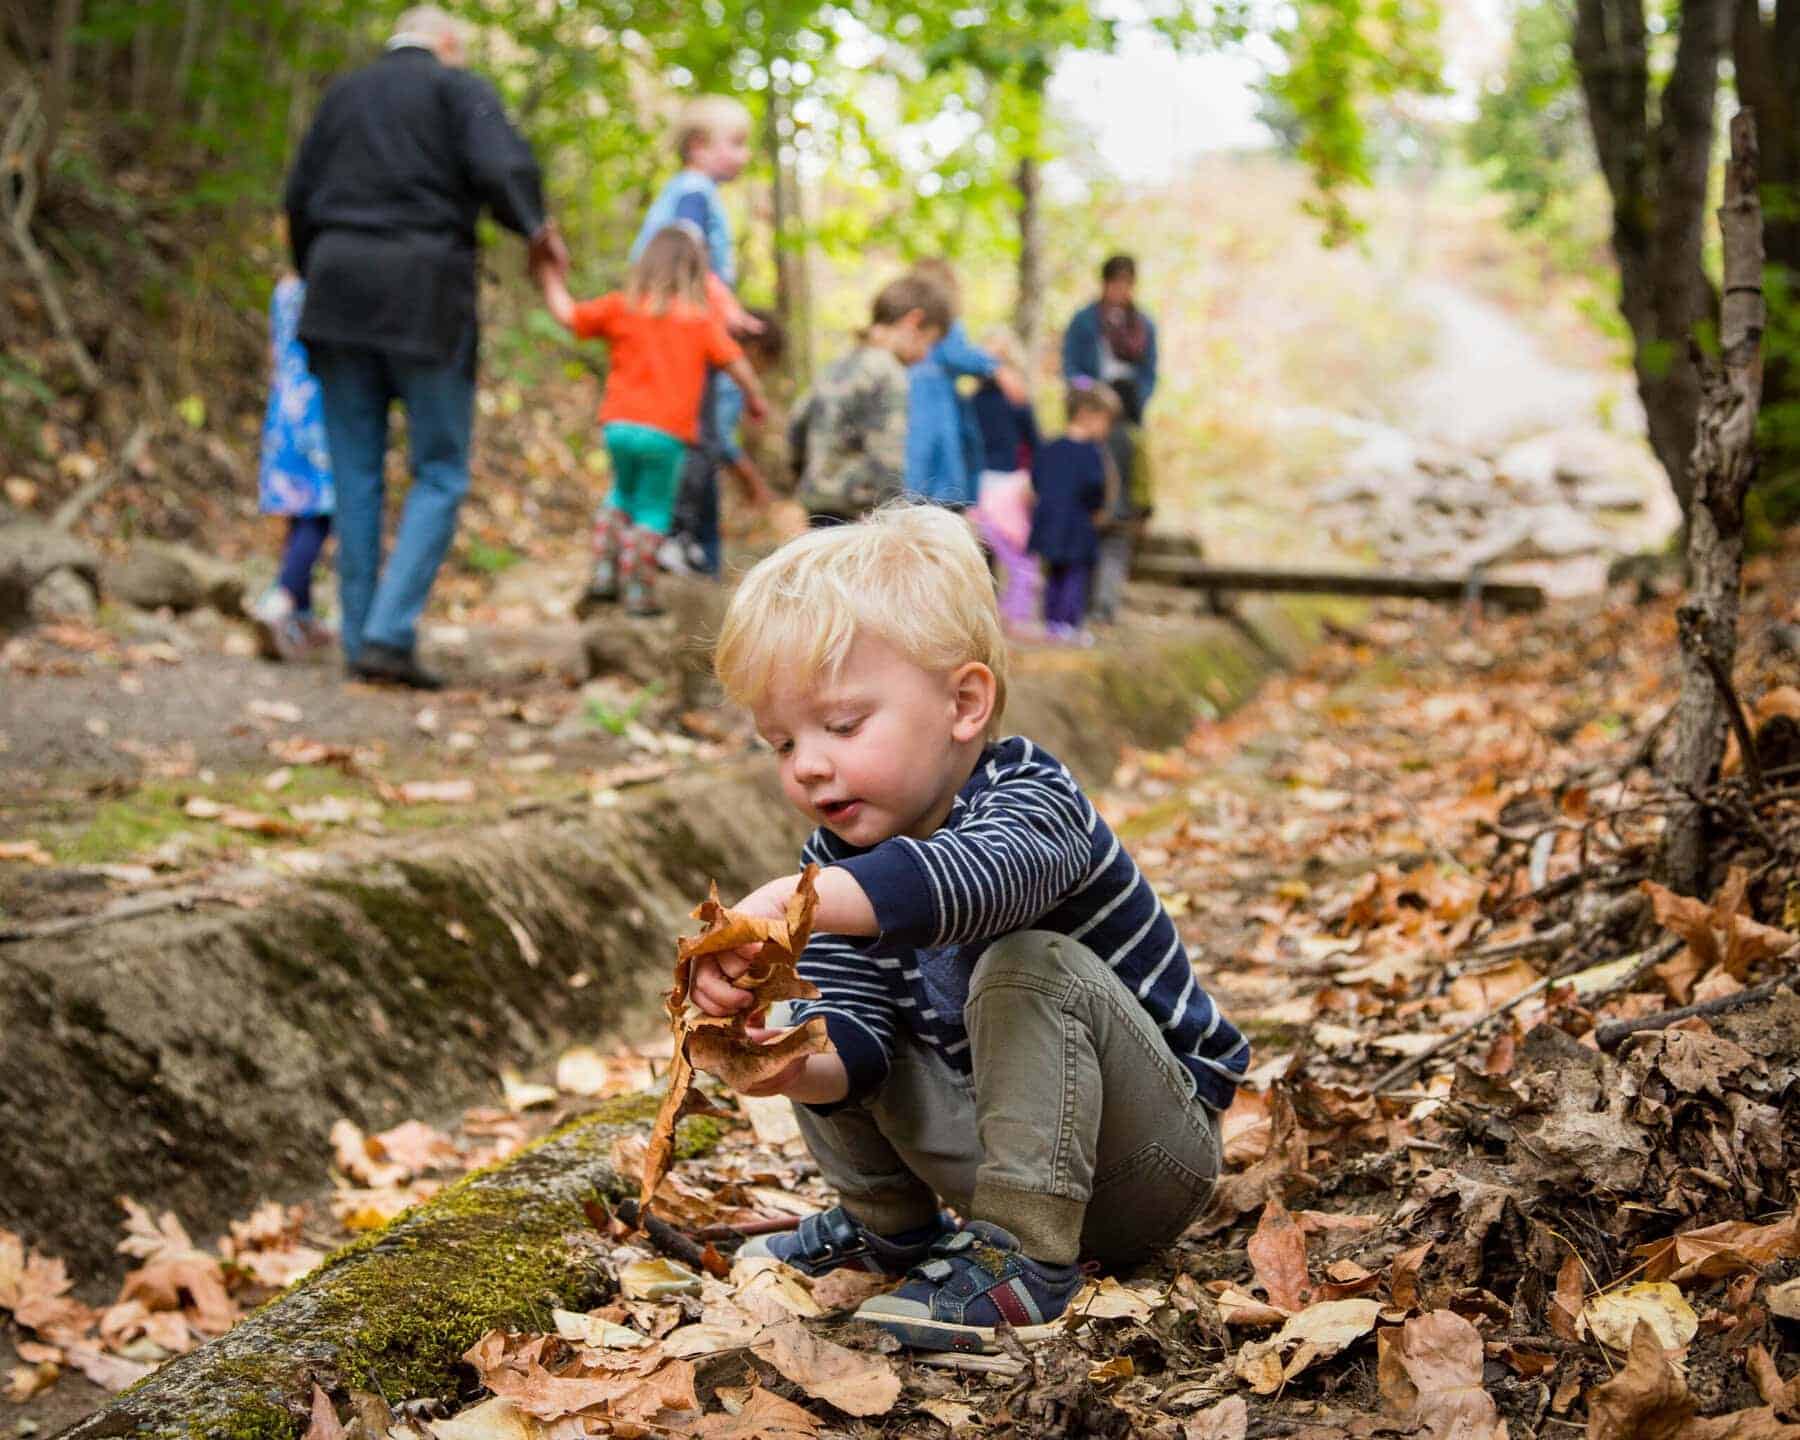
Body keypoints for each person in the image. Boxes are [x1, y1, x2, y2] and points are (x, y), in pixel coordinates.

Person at [692, 503, 1244, 1355]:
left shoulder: (1031, 798)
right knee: (819, 1023)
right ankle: (894, 1233)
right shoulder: (837, 861)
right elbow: (862, 1050)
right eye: (780, 742)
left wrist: (794, 906)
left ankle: (1025, 1257)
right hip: (993, 1155)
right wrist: (773, 1059)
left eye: (841, 725)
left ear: (964, 702)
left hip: (1143, 1162)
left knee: (1031, 967)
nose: (807, 763)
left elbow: (975, 882)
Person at [283, 5, 568, 690]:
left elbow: (298, 195)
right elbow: (503, 165)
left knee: (355, 475)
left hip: (337, 291)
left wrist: (313, 266)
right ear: (447, 44)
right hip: (424, 294)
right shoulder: (456, 88)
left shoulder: (344, 93)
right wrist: (534, 229)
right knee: (439, 470)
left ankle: (359, 639)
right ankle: (387, 633)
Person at [539, 227, 766, 616]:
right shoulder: (698, 320)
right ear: (695, 271)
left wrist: (547, 275)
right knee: (653, 510)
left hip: (618, 426)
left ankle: (603, 574)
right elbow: (736, 363)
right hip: (666, 433)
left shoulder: (620, 307)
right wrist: (755, 398)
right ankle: (638, 593)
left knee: (621, 494)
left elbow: (566, 314)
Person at [631, 96, 758, 581]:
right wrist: (730, 311)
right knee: (698, 436)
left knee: (698, 436)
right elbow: (688, 254)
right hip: (684, 336)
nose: (745, 156)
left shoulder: (690, 190)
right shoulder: (693, 191)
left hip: (672, 331)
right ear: (700, 147)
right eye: (737, 144)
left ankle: (683, 540)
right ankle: (676, 537)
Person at [794, 277, 948, 526]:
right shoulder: (889, 373)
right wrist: (893, 517)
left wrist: (807, 479)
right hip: (858, 511)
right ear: (913, 321)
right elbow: (888, 456)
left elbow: (798, 423)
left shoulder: (839, 364)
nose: (924, 355)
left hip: (817, 502)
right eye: (928, 341)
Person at [1061, 255, 1158, 624]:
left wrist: (1128, 402)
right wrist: (1089, 400)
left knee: (1116, 532)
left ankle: (1104, 605)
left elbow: (1150, 372)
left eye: (1126, 283)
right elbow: (1071, 366)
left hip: (1128, 409)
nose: (1121, 291)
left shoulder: (1143, 325)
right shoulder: (1085, 321)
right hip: (1090, 408)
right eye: (1115, 283)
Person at [250, 273, 337, 662]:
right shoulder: (328, 286)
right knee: (320, 514)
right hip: (319, 407)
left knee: (298, 510)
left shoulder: (284, 288)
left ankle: (301, 616)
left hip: (284, 407)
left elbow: (275, 351)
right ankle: (281, 596)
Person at [904, 260, 1026, 508]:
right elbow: (957, 354)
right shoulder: (944, 322)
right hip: (936, 420)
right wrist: (996, 366)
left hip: (921, 419)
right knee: (941, 481)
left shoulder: (909, 329)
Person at [1029, 383, 1120, 644]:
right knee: (1075, 576)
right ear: (1085, 414)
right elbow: (1094, 486)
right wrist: (1097, 509)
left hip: (1049, 522)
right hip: (1078, 524)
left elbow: (1036, 480)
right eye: (1105, 421)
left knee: (1054, 573)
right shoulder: (1091, 453)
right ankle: (1068, 623)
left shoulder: (1049, 447)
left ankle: (1052, 622)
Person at [969, 328, 1041, 635]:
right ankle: (1000, 619)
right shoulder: (973, 401)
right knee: (997, 558)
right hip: (986, 485)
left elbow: (1035, 442)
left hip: (1007, 484)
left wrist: (1033, 482)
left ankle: (1012, 617)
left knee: (1015, 558)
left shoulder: (1016, 400)